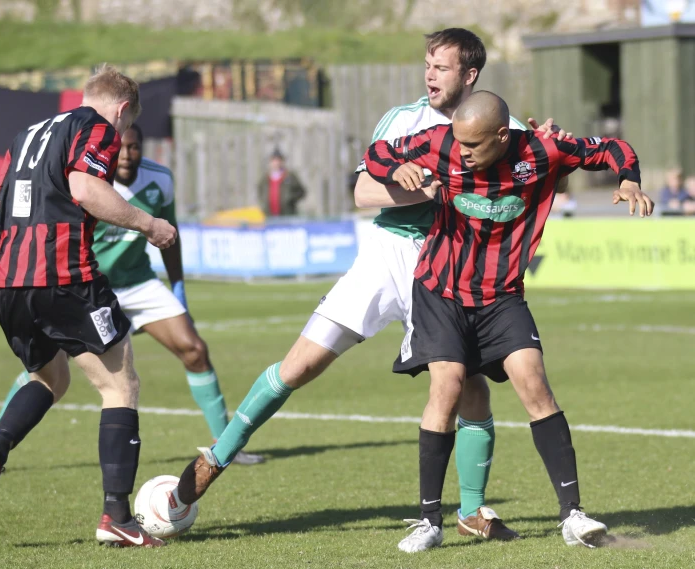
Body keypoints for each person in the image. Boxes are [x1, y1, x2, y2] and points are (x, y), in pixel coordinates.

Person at [174, 29, 564, 548]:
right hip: (386, 255)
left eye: (442, 67)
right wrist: (420, 187)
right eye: (427, 64)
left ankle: (471, 510)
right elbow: (361, 190)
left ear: (470, 76)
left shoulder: (503, 126)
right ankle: (217, 456)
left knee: (470, 388)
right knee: (301, 365)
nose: (429, 74)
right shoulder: (403, 120)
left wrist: (550, 152)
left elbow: (536, 177)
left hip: (451, 265)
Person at [364, 90, 654, 548]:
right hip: (441, 290)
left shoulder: (543, 151)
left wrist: (629, 179)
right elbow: (377, 152)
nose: (461, 152)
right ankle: (430, 522)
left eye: (473, 146)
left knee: (534, 384)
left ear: (503, 136)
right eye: (458, 143)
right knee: (449, 386)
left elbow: (612, 148)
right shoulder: (440, 142)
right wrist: (393, 168)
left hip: (501, 297)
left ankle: (573, 517)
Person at [0, 65, 177, 547]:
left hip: (7, 283)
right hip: (62, 275)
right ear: (124, 109)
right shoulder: (96, 127)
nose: (123, 137)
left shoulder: (27, 134)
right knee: (120, 383)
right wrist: (150, 225)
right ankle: (117, 519)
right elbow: (87, 190)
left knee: (51, 378)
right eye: (127, 128)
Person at [0, 124, 264, 465]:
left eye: (136, 147)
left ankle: (226, 447)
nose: (129, 154)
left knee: (194, 350)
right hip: (90, 286)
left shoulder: (159, 179)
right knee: (46, 373)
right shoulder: (89, 179)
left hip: (140, 284)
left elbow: (169, 235)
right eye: (124, 148)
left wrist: (178, 289)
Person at [257, 149, 306, 216]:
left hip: (287, 215)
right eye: (274, 160)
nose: (276, 163)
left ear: (282, 162)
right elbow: (260, 191)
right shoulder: (265, 179)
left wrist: (290, 199)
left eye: (278, 160)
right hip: (269, 216)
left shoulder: (289, 177)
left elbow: (301, 192)